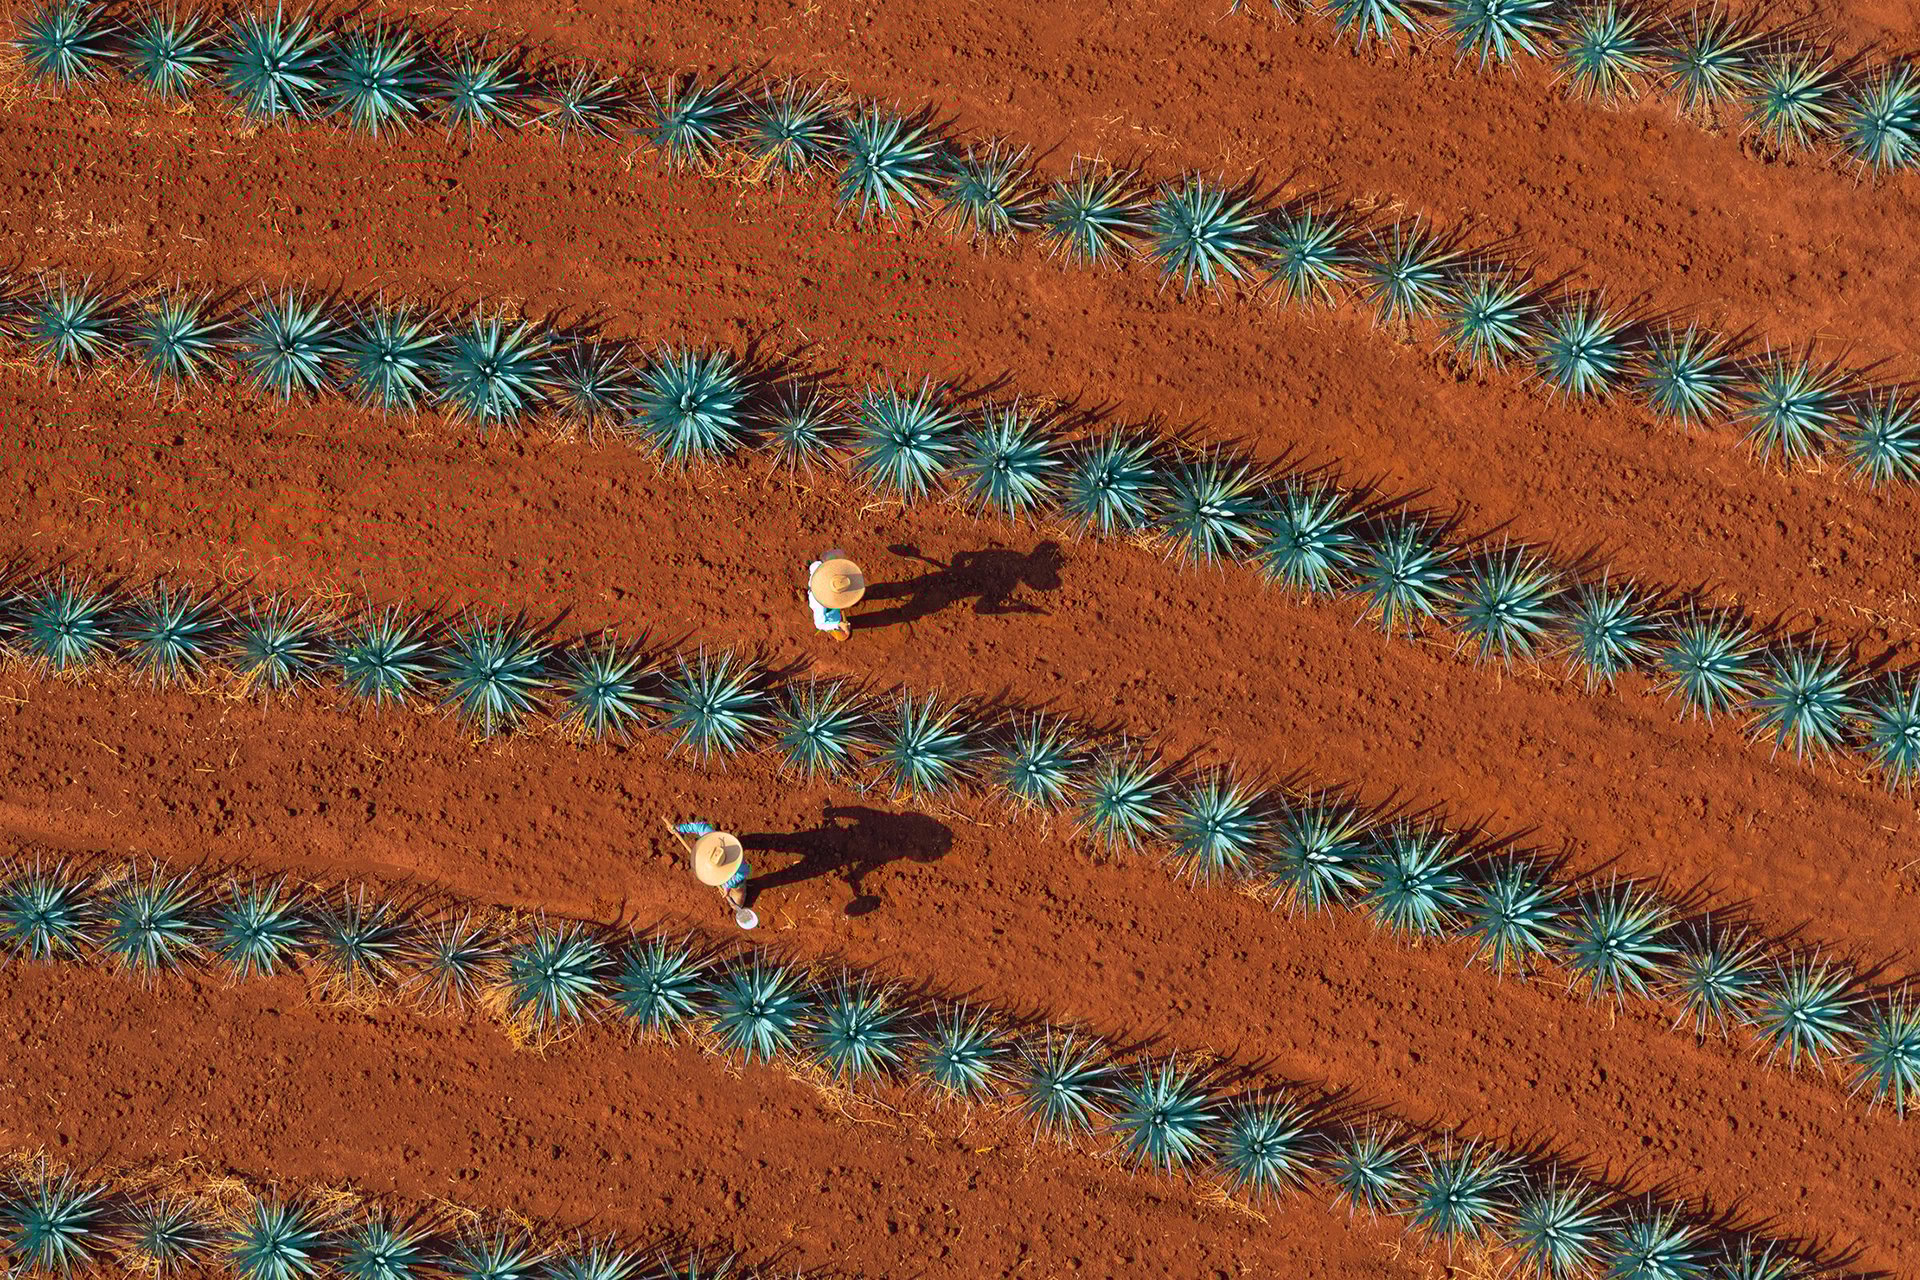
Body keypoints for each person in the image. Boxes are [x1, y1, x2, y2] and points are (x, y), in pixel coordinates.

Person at [680, 821, 750, 910]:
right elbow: (699, 827)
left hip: (736, 880)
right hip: (725, 877)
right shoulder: (711, 839)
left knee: (736, 906)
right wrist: (680, 829)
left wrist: (727, 885)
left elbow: (745, 871)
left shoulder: (738, 862)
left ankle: (740, 889)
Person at [806, 551, 865, 642]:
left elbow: (812, 567)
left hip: (818, 587)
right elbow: (820, 624)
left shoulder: (819, 567)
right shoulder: (820, 605)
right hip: (828, 611)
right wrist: (838, 624)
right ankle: (836, 630)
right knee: (835, 620)